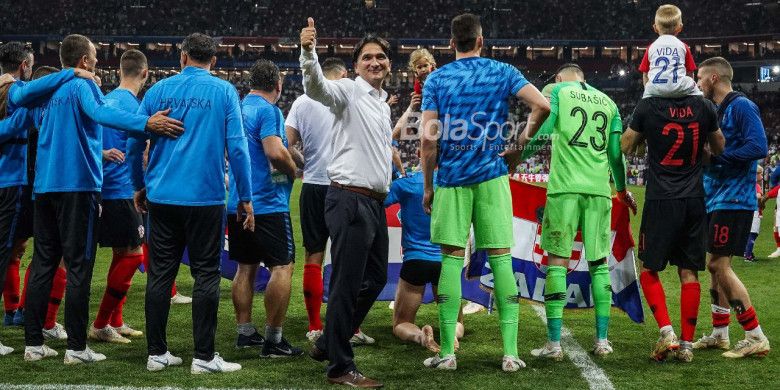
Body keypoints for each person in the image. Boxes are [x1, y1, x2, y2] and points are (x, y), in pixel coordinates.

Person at [22, 34, 183, 365]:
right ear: (83, 60)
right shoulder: (83, 87)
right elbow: (100, 114)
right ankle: (78, 349)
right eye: (94, 57)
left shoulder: (47, 91)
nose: (97, 62)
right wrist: (145, 122)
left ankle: (34, 343)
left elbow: (31, 113)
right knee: (80, 265)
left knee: (43, 263)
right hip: (76, 186)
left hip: (44, 186)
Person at [420, 13, 550, 372]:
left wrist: (428, 186)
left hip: (451, 179)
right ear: (480, 41)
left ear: (451, 44)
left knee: (449, 259)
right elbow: (543, 105)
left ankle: (447, 353)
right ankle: (510, 354)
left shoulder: (437, 78)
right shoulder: (503, 71)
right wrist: (521, 145)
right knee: (501, 258)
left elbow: (428, 141)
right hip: (493, 177)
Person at [128, 33, 253, 373]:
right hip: (205, 198)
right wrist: (245, 197)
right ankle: (204, 357)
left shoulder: (157, 91)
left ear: (182, 57)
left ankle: (157, 354)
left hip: (162, 196)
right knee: (206, 276)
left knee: (159, 275)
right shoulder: (224, 90)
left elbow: (133, 141)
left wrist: (139, 185)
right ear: (213, 60)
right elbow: (238, 149)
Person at [519, 64, 635, 360]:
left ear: (559, 78)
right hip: (598, 192)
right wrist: (621, 190)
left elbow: (543, 129)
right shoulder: (608, 103)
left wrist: (519, 156)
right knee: (598, 263)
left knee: (557, 262)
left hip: (565, 189)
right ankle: (602, 341)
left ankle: (554, 345)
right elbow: (614, 154)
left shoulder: (556, 91)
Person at [301, 17, 391, 388]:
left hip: (373, 203)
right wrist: (309, 53)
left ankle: (329, 340)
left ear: (389, 64)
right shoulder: (349, 91)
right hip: (349, 198)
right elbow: (317, 87)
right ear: (356, 66)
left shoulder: (381, 103)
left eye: (381, 57)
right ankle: (340, 366)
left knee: (376, 278)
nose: (375, 62)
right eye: (367, 57)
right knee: (346, 284)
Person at [622, 63, 725, 362]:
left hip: (661, 197)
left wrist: (642, 139)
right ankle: (688, 345)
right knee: (689, 272)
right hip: (694, 198)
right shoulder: (704, 106)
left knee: (649, 269)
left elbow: (626, 146)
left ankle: (667, 331)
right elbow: (718, 147)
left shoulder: (648, 105)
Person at [692, 57, 771, 358]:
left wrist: (718, 158)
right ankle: (719, 333)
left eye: (700, 78)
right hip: (717, 197)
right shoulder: (718, 110)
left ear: (713, 78)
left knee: (718, 265)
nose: (697, 83)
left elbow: (758, 146)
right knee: (715, 268)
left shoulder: (741, 106)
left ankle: (755, 335)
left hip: (734, 199)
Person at [227, 59, 303, 358]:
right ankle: (273, 340)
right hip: (268, 203)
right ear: (278, 86)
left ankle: (245, 333)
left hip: (238, 200)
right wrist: (293, 168)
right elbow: (273, 150)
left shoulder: (238, 109)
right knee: (282, 267)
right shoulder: (269, 110)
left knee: (245, 268)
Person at [1, 65, 69, 341]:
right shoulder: (29, 110)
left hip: (26, 188)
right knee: (50, 255)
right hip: (31, 189)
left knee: (15, 251)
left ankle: (14, 311)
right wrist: (72, 74)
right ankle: (41, 320)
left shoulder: (17, 107)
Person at [87, 50, 150, 345]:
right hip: (123, 190)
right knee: (133, 256)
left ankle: (116, 320)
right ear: (145, 74)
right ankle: (100, 324)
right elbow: (139, 153)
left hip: (103, 188)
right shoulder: (134, 108)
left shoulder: (105, 101)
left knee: (121, 254)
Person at [284, 57, 348, 343]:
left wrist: (303, 162)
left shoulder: (301, 101)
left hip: (312, 184)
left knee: (314, 254)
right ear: (344, 74)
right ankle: (351, 327)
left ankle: (314, 326)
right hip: (344, 185)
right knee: (347, 258)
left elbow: (288, 142)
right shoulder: (349, 97)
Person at [384, 157, 464, 353]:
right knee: (457, 321)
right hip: (446, 260)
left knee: (401, 323)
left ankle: (420, 337)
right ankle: (451, 335)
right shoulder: (456, 183)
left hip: (415, 260)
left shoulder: (406, 184)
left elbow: (379, 201)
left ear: (422, 155)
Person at [639, 4, 701, 98]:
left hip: (655, 90)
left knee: (648, 88)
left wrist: (647, 93)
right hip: (679, 88)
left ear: (655, 28)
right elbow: (690, 72)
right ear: (680, 27)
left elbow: (645, 73)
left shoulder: (651, 47)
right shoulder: (683, 46)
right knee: (698, 93)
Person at [743, 166, 763, 262]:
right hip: (754, 211)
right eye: (760, 174)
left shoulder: (745, 184)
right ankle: (748, 255)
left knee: (747, 233)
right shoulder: (756, 185)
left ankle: (747, 251)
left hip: (745, 210)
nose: (762, 177)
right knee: (753, 233)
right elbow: (759, 196)